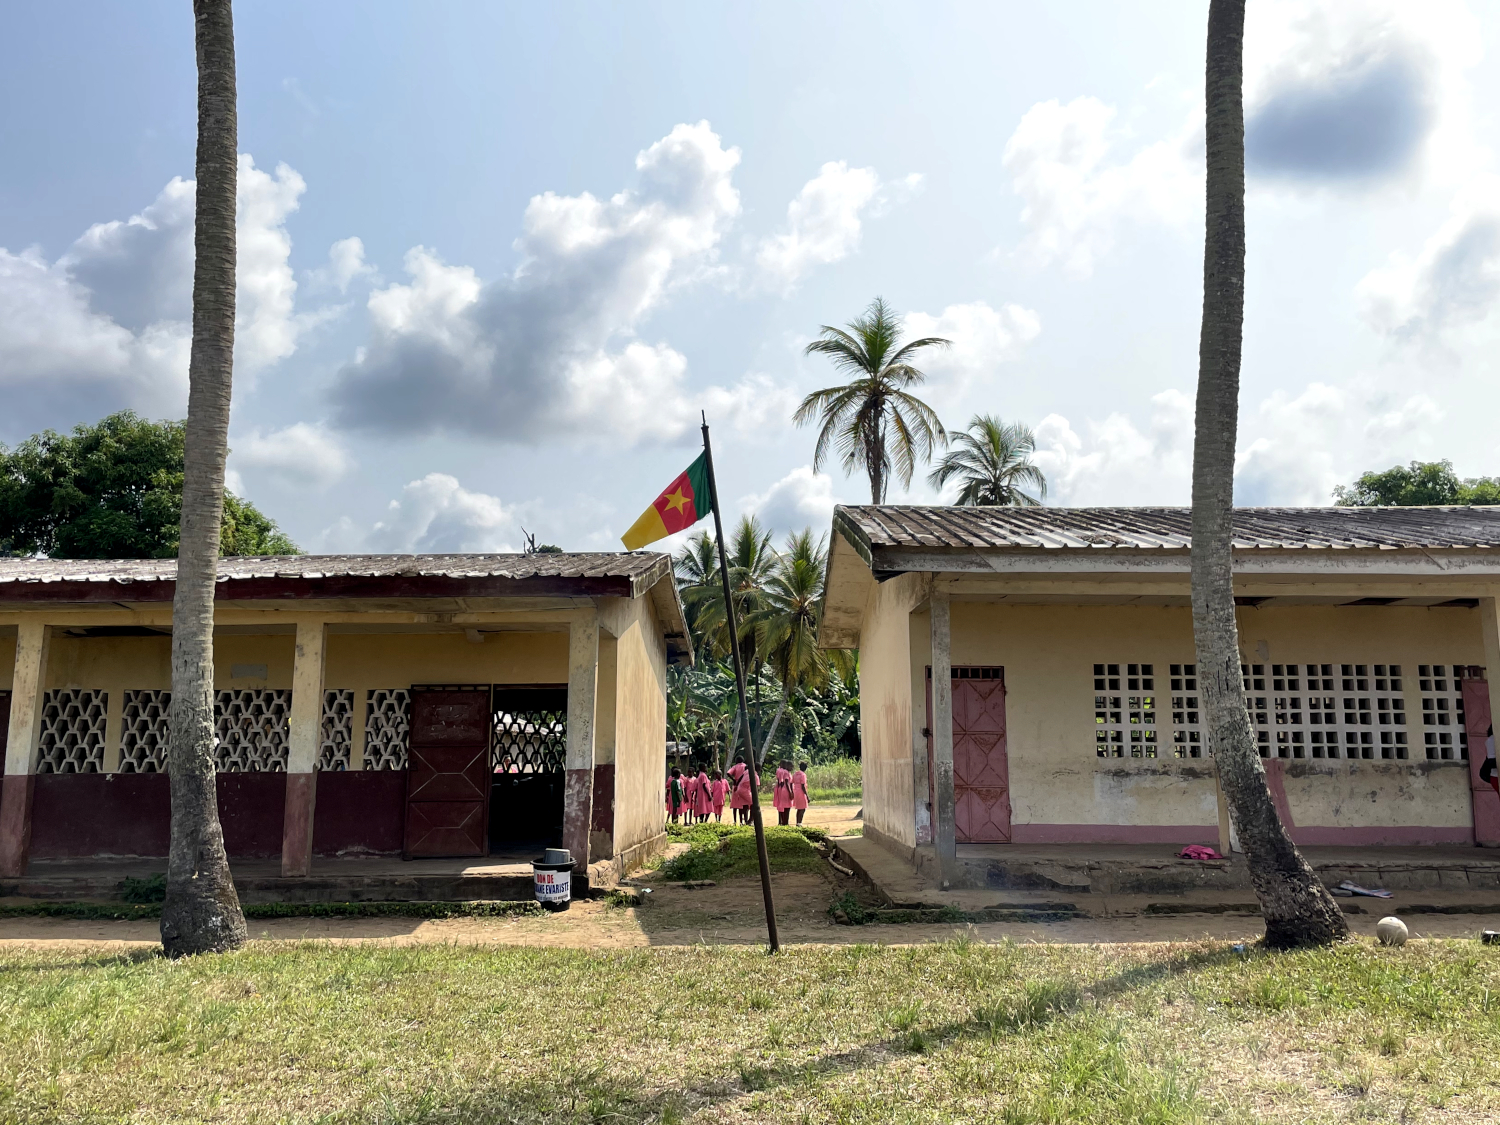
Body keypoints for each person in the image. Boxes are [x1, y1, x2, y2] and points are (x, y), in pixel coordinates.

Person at [729, 756, 751, 825]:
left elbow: (728, 773)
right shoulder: (745, 766)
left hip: (736, 785)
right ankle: (744, 820)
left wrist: (734, 780)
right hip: (745, 786)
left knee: (735, 805)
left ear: (737, 760)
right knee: (744, 805)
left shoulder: (735, 767)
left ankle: (735, 821)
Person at [773, 759, 794, 826]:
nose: (792, 768)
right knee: (787, 807)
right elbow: (787, 782)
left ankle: (783, 822)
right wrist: (790, 792)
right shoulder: (786, 772)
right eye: (791, 766)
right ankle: (785, 822)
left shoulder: (784, 772)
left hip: (783, 790)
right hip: (786, 791)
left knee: (784, 806)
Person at [792, 760, 810, 825]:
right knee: (803, 808)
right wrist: (807, 796)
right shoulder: (803, 775)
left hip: (795, 791)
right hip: (801, 792)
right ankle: (800, 822)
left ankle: (797, 822)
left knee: (799, 808)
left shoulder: (795, 774)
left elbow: (792, 782)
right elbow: (803, 786)